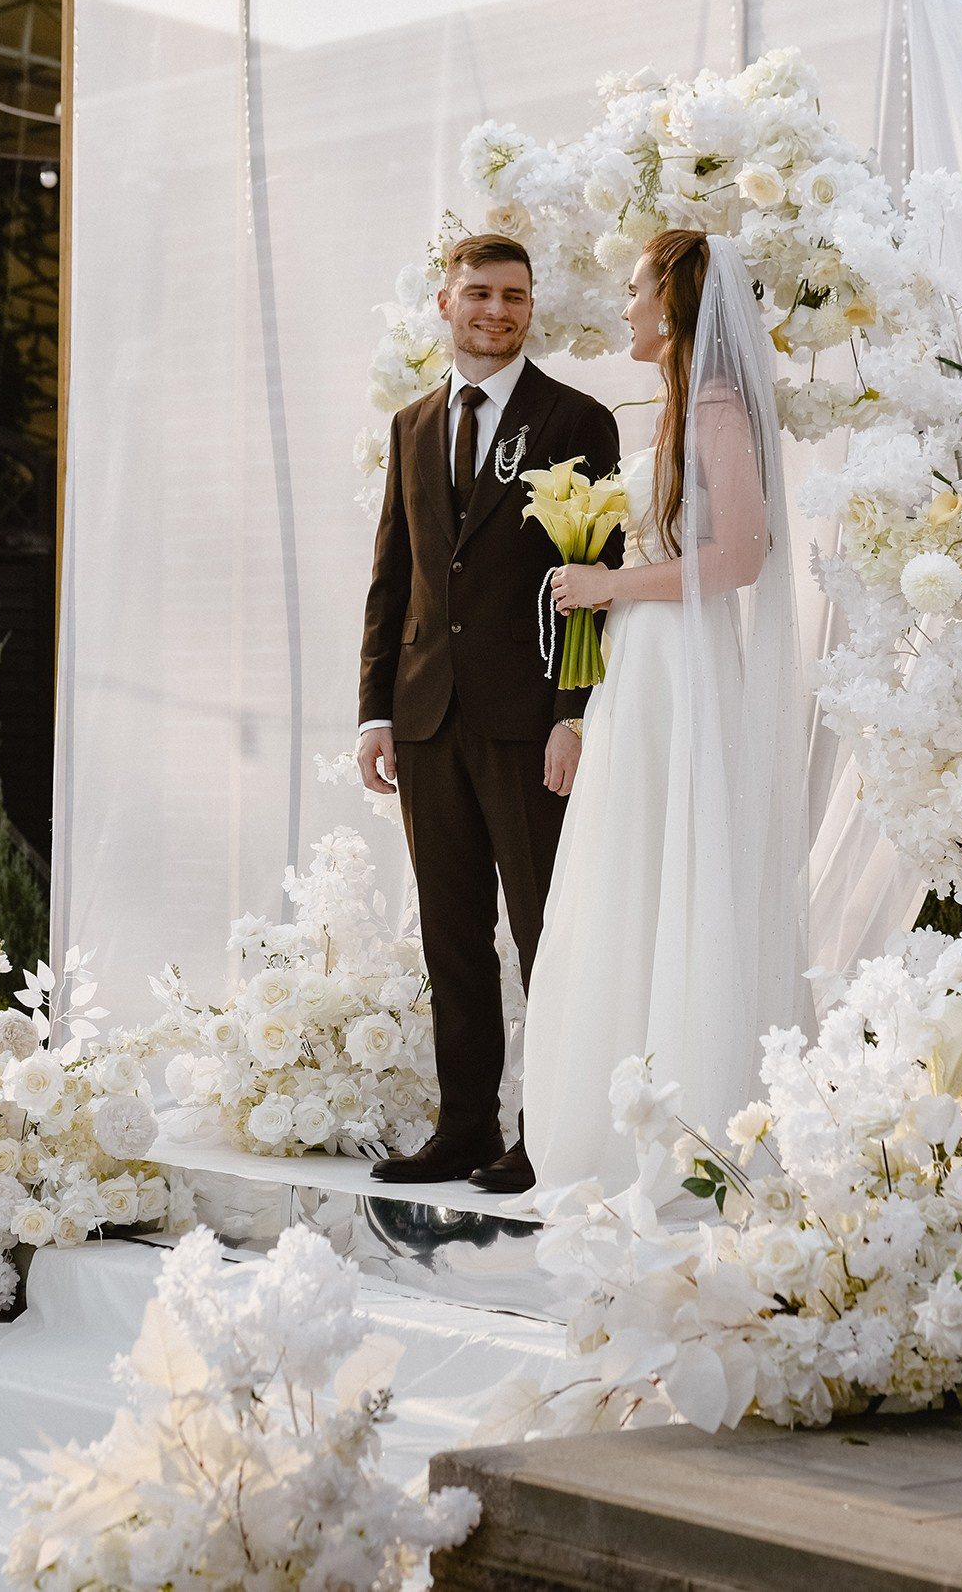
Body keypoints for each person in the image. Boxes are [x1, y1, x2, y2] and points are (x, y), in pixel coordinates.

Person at [521, 229, 813, 1198]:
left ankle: (681, 1129)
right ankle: (619, 1110)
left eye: (638, 288)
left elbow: (742, 556)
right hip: (642, 663)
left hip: (680, 664)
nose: (626, 304)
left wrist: (612, 580)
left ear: (677, 303)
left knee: (669, 859)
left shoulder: (720, 407)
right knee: (629, 864)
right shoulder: (681, 405)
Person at [357, 233, 621, 1187]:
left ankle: (545, 1133)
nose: (497, 310)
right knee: (450, 933)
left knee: (544, 927)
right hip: (426, 719)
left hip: (527, 721)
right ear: (445, 303)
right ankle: (464, 1127)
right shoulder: (412, 425)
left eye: (513, 295)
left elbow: (595, 572)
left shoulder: (576, 421)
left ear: (530, 306)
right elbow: (394, 577)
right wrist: (373, 711)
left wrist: (572, 714)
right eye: (479, 293)